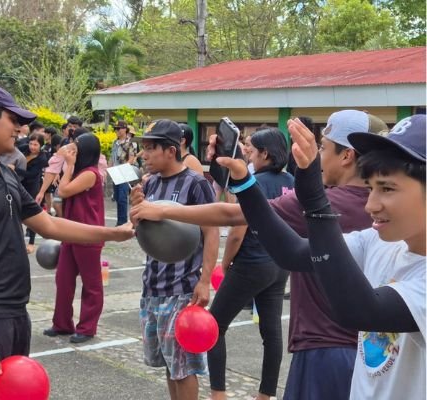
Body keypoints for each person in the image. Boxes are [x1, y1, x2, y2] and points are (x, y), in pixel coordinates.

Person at [145, 110, 386, 399]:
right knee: (270, 330)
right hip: (371, 351)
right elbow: (291, 247)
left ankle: (218, 392)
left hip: (324, 350)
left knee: (220, 324)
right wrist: (239, 176)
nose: (318, 155)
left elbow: (236, 214)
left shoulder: (331, 202)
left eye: (322, 148)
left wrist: (163, 209)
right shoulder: (379, 208)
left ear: (346, 156)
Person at [0, 85, 133, 399]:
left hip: (14, 312)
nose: (20, 129)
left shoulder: (5, 173)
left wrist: (114, 232)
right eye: (12, 119)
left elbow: (49, 225)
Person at [217, 114, 425, 399]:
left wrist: (316, 201)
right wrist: (243, 183)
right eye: (372, 187)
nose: (371, 205)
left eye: (387, 188)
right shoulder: (381, 243)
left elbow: (361, 311)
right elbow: (292, 253)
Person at [128, 119, 219, 400]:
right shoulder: (150, 183)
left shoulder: (195, 183)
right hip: (152, 286)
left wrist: (205, 281)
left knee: (183, 365)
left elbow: (211, 230)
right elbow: (143, 231)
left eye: (150, 149)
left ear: (170, 150)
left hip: (182, 289)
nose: (145, 155)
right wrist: (136, 207)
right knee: (169, 363)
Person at [208, 129, 293, 400]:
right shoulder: (290, 180)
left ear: (265, 154)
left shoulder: (254, 182)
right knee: (271, 332)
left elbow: (237, 230)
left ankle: (218, 393)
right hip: (280, 263)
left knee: (214, 326)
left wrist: (225, 261)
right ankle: (265, 395)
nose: (248, 154)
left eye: (252, 151)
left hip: (251, 262)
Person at [44, 133, 106, 343]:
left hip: (88, 234)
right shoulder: (80, 171)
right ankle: (62, 324)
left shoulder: (91, 173)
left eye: (77, 148)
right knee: (63, 279)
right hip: (71, 231)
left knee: (91, 285)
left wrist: (69, 165)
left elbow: (63, 190)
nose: (73, 151)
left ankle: (87, 327)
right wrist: (68, 163)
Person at [21, 133, 48, 253]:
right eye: (31, 143)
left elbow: (31, 175)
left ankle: (31, 242)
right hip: (18, 185)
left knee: (32, 214)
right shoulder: (24, 149)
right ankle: (19, 241)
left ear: (41, 146)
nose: (32, 147)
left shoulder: (42, 158)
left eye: (36, 144)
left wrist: (14, 169)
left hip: (32, 187)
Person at [110, 120, 136, 226]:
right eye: (115, 128)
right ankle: (119, 220)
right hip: (115, 172)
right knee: (117, 197)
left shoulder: (130, 143)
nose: (116, 130)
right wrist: (108, 169)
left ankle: (122, 222)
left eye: (118, 128)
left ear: (125, 129)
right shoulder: (114, 143)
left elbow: (132, 158)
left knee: (122, 198)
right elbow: (112, 158)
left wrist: (123, 169)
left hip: (124, 172)